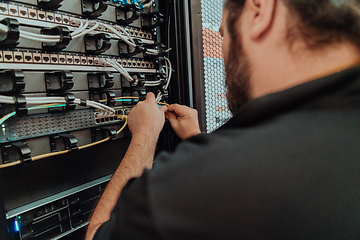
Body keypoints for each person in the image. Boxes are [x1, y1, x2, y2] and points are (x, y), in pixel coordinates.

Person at [86, 0, 360, 239]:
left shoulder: (225, 180)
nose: (224, 55)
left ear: (259, 10)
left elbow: (99, 234)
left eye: (223, 34)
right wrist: (199, 143)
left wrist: (145, 135)